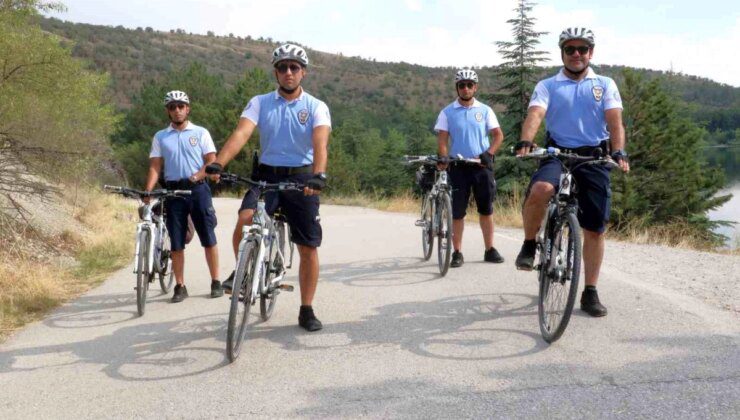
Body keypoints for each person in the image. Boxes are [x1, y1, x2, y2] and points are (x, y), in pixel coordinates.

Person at [206, 44, 331, 332]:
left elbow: (320, 143)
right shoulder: (260, 102)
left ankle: (306, 308)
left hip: (302, 178)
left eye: (294, 67)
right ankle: (245, 272)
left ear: (303, 72)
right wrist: (219, 163)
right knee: (245, 219)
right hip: (266, 177)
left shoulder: (316, 106)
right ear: (276, 72)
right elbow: (242, 133)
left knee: (308, 247)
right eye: (283, 67)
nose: (288, 72)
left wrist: (319, 175)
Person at [514, 27, 630, 317]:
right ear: (562, 52)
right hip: (558, 153)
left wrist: (619, 151)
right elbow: (536, 114)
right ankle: (529, 244)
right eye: (570, 49)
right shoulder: (548, 85)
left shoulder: (605, 83)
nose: (576, 54)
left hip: (593, 156)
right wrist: (527, 139)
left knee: (595, 228)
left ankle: (589, 291)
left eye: (582, 49)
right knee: (541, 190)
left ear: (591, 52)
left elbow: (615, 121)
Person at [144, 90, 223, 303]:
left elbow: (211, 160)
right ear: (168, 111)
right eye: (172, 107)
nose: (177, 110)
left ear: (187, 108)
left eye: (181, 106)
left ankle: (216, 281)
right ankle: (180, 285)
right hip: (173, 192)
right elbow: (154, 166)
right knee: (177, 242)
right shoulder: (161, 136)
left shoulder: (200, 132)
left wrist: (198, 175)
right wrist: (148, 190)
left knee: (208, 236)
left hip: (198, 190)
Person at [434, 68, 505, 268]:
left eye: (469, 85)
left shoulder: (485, 110)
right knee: (457, 212)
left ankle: (490, 249)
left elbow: (498, 135)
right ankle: (457, 251)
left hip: (481, 166)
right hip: (458, 167)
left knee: (486, 209)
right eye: (462, 85)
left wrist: (489, 153)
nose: (466, 89)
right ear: (457, 88)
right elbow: (442, 139)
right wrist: (443, 156)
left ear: (475, 87)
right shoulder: (447, 112)